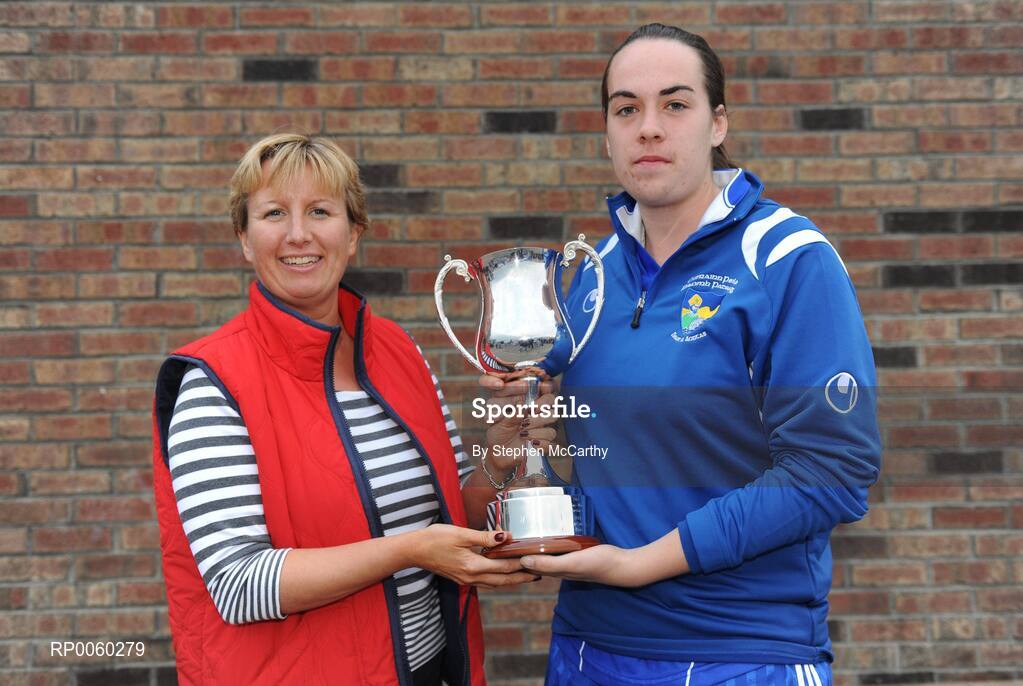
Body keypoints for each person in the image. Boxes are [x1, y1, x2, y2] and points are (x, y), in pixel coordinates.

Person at [478, 24, 882, 686]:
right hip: (587, 646)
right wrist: (512, 463)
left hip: (739, 651)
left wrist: (641, 562)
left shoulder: (785, 257)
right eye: (626, 109)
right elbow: (588, 460)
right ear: (606, 132)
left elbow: (831, 470)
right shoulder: (588, 277)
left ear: (716, 122)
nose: (648, 128)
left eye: (675, 104)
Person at [151, 133, 540, 686]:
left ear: (353, 232)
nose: (298, 234)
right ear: (244, 238)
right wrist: (411, 551)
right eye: (273, 213)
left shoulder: (401, 353)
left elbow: (456, 517)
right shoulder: (213, 382)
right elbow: (238, 585)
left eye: (319, 211)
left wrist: (497, 463)